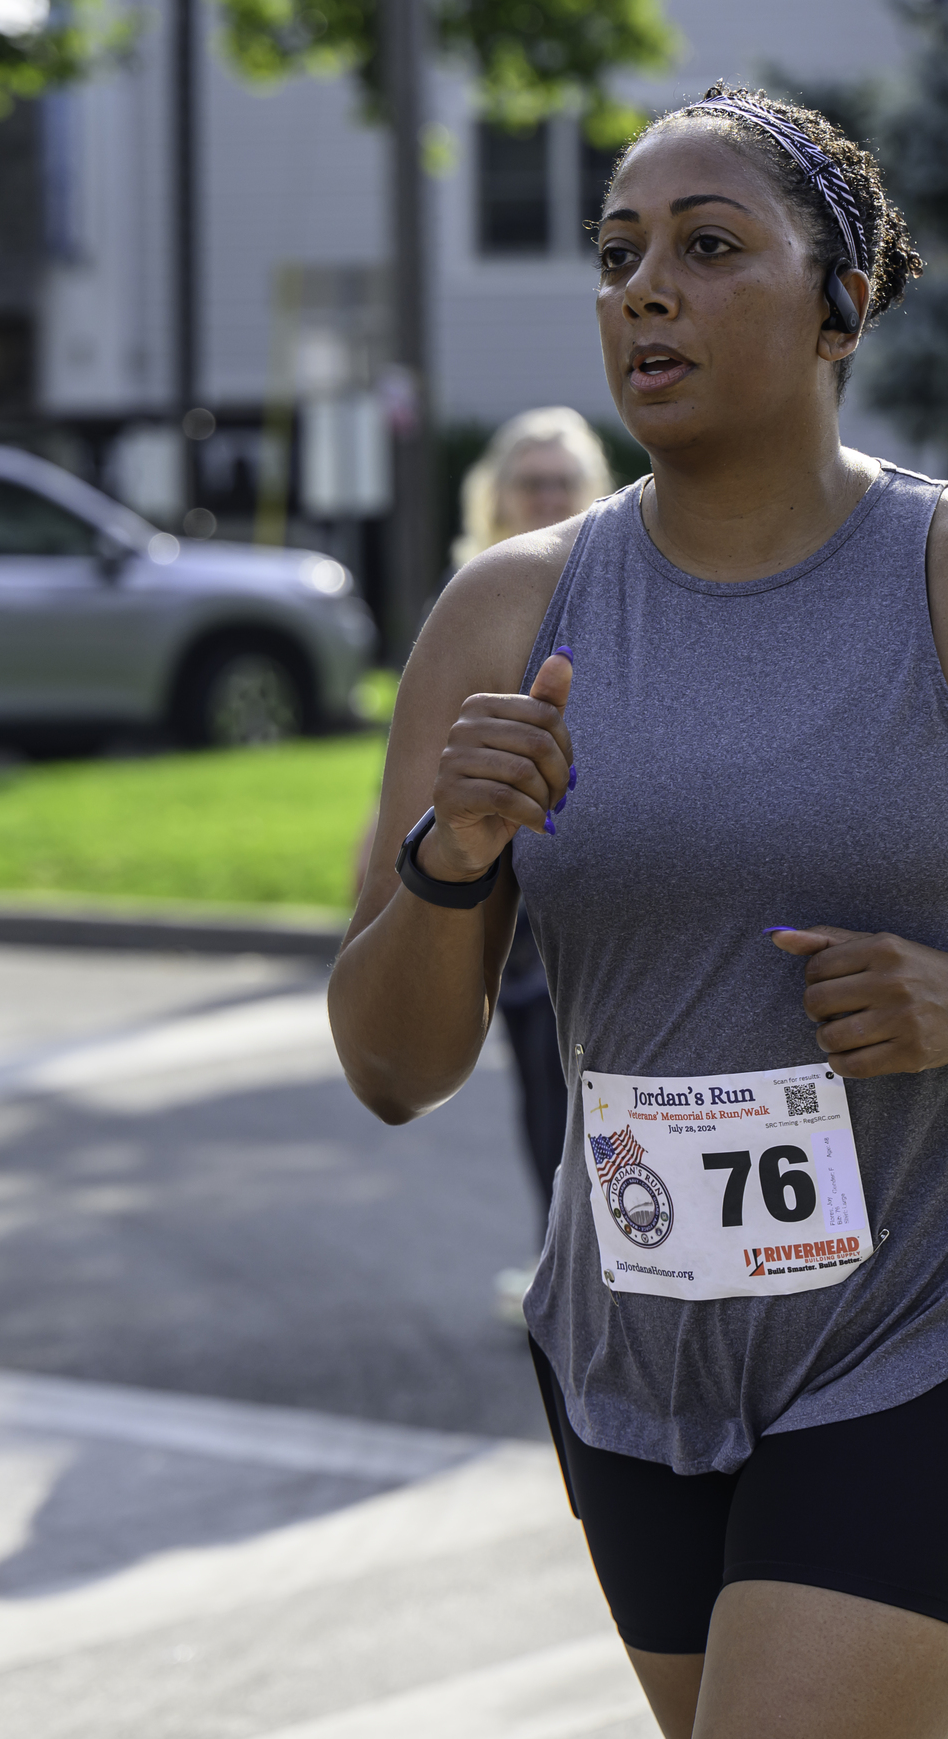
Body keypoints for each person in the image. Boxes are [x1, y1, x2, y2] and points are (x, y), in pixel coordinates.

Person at [329, 84, 948, 1739]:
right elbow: (388, 1065)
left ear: (841, 302)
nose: (647, 288)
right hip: (637, 1339)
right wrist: (455, 852)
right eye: (619, 252)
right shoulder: (510, 612)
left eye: (711, 248)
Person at [353, 408, 613, 1295]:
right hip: (494, 882)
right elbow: (413, 766)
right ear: (495, 499)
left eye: (561, 481)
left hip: (600, 870)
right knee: (543, 1081)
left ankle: (605, 1253)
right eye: (529, 481)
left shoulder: (629, 589)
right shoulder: (472, 602)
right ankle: (566, 1255)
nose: (545, 495)